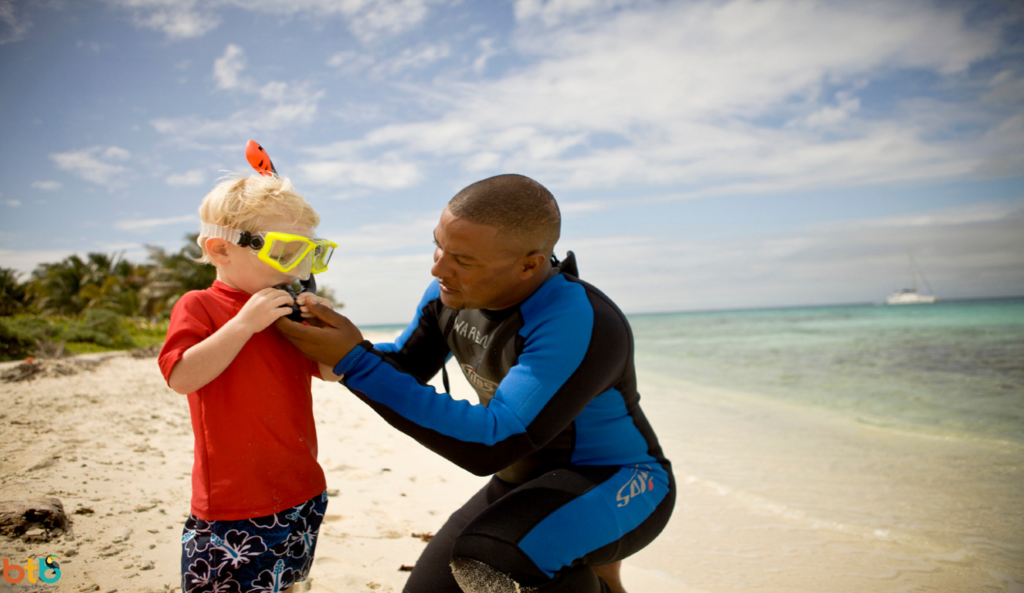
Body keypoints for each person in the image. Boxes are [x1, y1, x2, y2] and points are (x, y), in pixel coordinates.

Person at [279, 174, 675, 593]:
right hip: (520, 485)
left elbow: (494, 442)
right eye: (438, 245)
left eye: (463, 260)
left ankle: (589, 568)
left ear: (529, 265)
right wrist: (332, 341)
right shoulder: (446, 294)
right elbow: (405, 367)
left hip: (619, 483)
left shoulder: (577, 320)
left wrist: (354, 361)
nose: (438, 267)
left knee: (494, 562)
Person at [157, 174, 340, 593]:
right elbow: (181, 377)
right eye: (285, 252)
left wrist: (332, 335)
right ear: (220, 248)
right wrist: (243, 325)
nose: (297, 268)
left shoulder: (287, 313)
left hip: (304, 490)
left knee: (290, 583)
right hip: (235, 505)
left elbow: (332, 373)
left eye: (309, 254)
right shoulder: (199, 305)